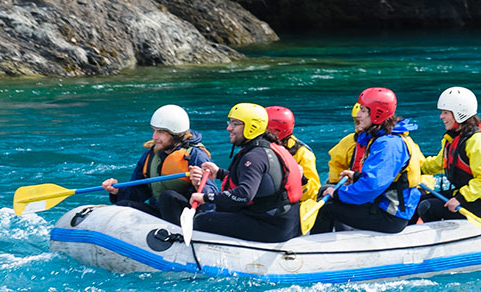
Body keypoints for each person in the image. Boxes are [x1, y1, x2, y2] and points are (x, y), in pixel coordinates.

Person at [182, 103, 301, 243]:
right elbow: (261, 182)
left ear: (252, 127)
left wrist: (206, 197)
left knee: (202, 220)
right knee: (222, 207)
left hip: (271, 227)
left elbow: (244, 194)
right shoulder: (268, 147)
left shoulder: (254, 156)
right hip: (285, 222)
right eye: (230, 123)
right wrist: (220, 173)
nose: (229, 128)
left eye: (235, 124)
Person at [311, 87, 424, 234]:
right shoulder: (384, 139)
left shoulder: (388, 144)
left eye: (363, 111)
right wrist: (356, 176)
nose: (358, 115)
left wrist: (339, 193)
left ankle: (314, 246)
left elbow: (372, 186)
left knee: (326, 207)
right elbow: (380, 178)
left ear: (377, 113)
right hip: (382, 206)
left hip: (389, 216)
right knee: (325, 192)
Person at [103, 104, 211, 216]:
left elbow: (211, 198)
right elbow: (137, 192)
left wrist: (198, 184)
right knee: (125, 205)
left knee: (168, 196)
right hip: (159, 211)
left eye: (161, 132)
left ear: (176, 135)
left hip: (186, 215)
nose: (154, 137)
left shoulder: (196, 155)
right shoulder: (150, 155)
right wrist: (117, 191)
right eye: (154, 131)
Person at [415, 86, 481, 222]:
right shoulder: (454, 137)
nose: (441, 116)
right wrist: (415, 169)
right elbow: (439, 163)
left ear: (459, 113)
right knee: (418, 200)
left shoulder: (478, 141)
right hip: (467, 195)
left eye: (445, 113)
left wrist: (460, 199)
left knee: (427, 207)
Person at [266, 106, 322, 196]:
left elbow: (313, 192)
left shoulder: (303, 154)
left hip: (289, 199)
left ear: (276, 131)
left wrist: (302, 180)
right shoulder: (254, 144)